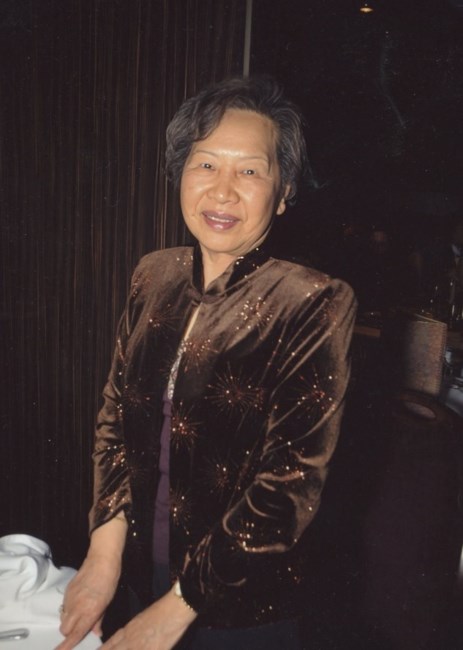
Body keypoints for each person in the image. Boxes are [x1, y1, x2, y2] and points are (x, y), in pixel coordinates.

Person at [56, 76, 356, 650]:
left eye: (250, 171)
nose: (223, 191)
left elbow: (288, 486)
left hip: (239, 611)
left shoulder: (312, 301)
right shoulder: (154, 275)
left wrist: (175, 611)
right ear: (181, 174)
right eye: (206, 164)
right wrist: (103, 558)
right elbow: (116, 419)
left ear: (283, 191)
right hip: (137, 577)